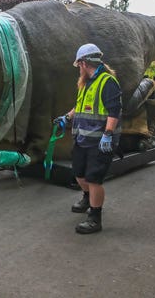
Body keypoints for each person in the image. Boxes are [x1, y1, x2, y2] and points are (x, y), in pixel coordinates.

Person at [54, 43, 122, 234]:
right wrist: (66, 117)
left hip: (99, 141)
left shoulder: (107, 82)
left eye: (78, 65)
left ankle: (95, 217)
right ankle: (87, 197)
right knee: (78, 173)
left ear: (83, 63)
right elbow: (80, 106)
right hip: (83, 138)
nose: (78, 69)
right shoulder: (87, 83)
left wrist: (108, 135)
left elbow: (114, 111)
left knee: (94, 179)